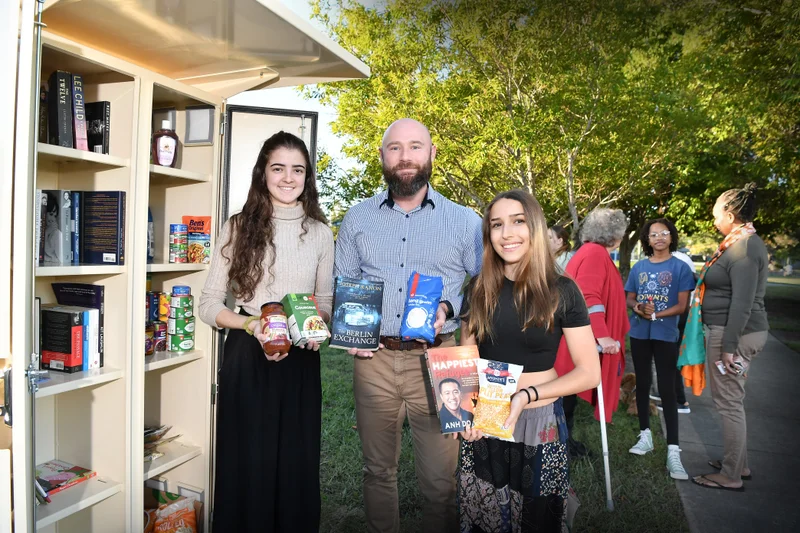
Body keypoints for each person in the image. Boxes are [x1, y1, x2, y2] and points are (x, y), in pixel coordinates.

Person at [334, 118, 483, 533]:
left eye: (415, 146)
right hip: (373, 360)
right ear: (382, 156)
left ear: (432, 154)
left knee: (440, 481)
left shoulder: (465, 221)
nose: (405, 157)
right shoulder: (357, 218)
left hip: (444, 359)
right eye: (395, 148)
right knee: (377, 470)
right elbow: (343, 282)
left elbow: (486, 287)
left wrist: (450, 305)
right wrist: (350, 331)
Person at [198, 131, 333, 531]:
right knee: (248, 462)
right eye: (279, 168)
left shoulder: (322, 233)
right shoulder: (238, 227)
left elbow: (325, 303)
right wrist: (250, 323)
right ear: (263, 173)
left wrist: (313, 328)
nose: (288, 178)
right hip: (247, 355)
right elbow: (208, 305)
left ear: (307, 178)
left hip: (301, 359)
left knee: (296, 461)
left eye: (298, 170)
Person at [457, 189, 600, 532]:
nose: (507, 233)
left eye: (518, 221)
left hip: (540, 420)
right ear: (488, 235)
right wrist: (463, 411)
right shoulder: (477, 289)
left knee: (538, 519)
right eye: (496, 225)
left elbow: (589, 372)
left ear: (534, 228)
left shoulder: (562, 290)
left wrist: (525, 396)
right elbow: (467, 357)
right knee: (486, 516)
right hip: (487, 415)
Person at [692, 183, 769, 492]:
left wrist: (728, 349)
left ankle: (731, 475)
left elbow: (742, 303)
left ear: (730, 214)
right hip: (733, 332)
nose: (714, 222)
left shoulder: (744, 249)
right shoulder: (739, 244)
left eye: (716, 215)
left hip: (733, 334)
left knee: (728, 404)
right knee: (732, 400)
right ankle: (739, 464)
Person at [554, 208, 630, 458]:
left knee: (566, 396)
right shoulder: (595, 254)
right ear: (616, 234)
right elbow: (587, 296)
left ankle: (564, 442)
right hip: (574, 339)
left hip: (570, 336)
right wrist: (603, 334)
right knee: (564, 394)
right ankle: (560, 445)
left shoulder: (589, 252)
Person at [624, 218, 695, 479]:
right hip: (640, 334)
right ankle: (645, 436)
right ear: (648, 239)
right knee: (642, 383)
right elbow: (630, 296)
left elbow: (682, 305)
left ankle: (673, 451)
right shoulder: (639, 267)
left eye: (664, 233)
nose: (659, 238)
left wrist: (655, 315)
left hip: (665, 334)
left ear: (671, 237)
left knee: (666, 389)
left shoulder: (680, 267)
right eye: (654, 234)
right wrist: (638, 309)